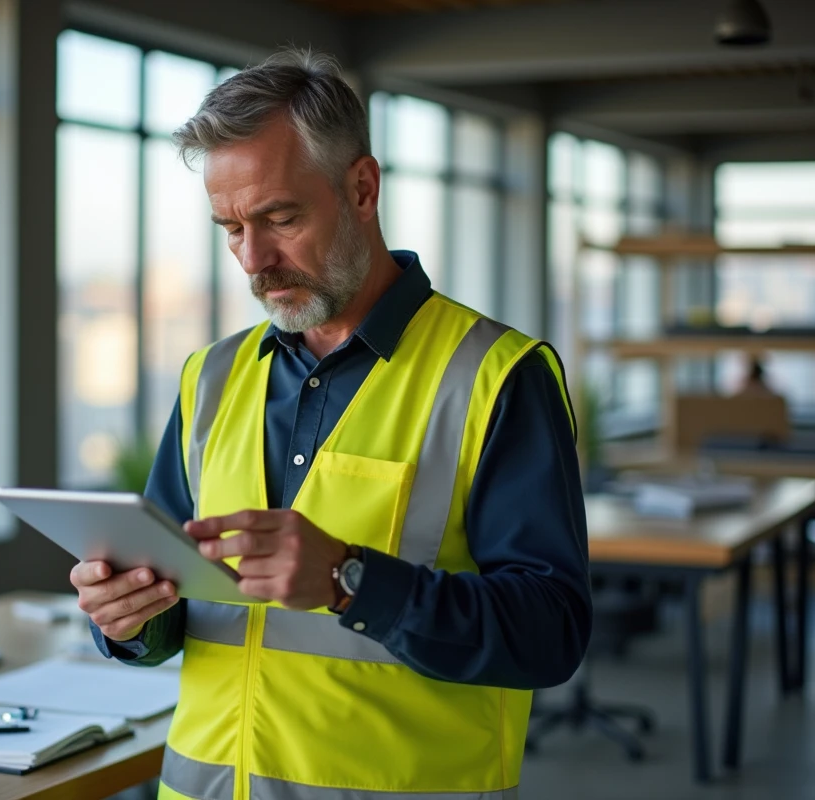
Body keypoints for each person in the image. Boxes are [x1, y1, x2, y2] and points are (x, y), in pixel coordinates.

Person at [70, 47, 591, 800]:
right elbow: (169, 607)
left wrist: (352, 582)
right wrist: (127, 621)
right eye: (230, 228)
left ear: (362, 188)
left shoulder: (497, 377)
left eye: (280, 218)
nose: (255, 260)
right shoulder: (209, 377)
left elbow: (551, 633)